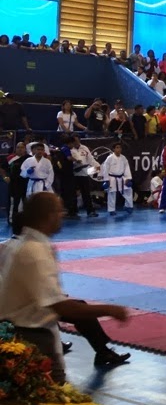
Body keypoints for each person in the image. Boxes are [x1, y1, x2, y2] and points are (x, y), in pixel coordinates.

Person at [0, 193, 130, 383]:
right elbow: (59, 306)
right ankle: (102, 350)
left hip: (28, 330)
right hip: (31, 336)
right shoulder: (34, 250)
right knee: (51, 392)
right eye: (59, 210)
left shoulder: (26, 245)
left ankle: (102, 350)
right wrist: (110, 309)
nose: (63, 214)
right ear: (48, 215)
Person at [67, 136, 100, 218]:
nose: (76, 143)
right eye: (74, 141)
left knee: (86, 193)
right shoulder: (69, 149)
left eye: (77, 141)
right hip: (73, 174)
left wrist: (96, 165)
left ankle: (90, 211)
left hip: (84, 173)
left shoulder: (84, 148)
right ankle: (73, 212)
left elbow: (90, 159)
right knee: (73, 194)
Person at [101, 142, 133, 216]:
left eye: (120, 148)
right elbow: (105, 169)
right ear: (113, 149)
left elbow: (127, 168)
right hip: (112, 178)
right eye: (117, 147)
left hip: (121, 178)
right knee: (112, 194)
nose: (119, 149)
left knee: (128, 190)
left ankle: (128, 206)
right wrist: (106, 179)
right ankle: (111, 210)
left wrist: (128, 178)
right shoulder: (110, 158)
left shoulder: (123, 158)